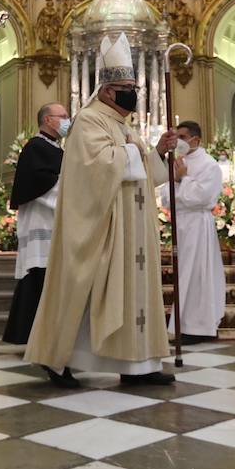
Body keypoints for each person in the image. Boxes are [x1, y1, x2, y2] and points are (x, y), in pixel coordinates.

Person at [25, 33, 179, 388]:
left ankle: (139, 365)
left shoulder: (122, 125)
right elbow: (93, 168)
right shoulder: (89, 120)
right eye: (127, 86)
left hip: (134, 229)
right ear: (109, 91)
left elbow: (143, 175)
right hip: (105, 227)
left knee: (134, 295)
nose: (133, 93)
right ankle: (59, 360)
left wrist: (155, 152)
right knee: (89, 290)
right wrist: (133, 153)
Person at [2, 103, 69, 344]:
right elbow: (42, 182)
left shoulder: (54, 148)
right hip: (42, 223)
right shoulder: (36, 146)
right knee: (38, 279)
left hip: (53, 222)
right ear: (48, 120)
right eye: (62, 116)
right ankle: (35, 336)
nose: (67, 120)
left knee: (43, 280)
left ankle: (35, 335)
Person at [157, 121, 225, 345]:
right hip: (181, 222)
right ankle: (182, 324)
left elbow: (203, 198)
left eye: (183, 137)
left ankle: (199, 326)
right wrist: (179, 181)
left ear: (196, 140)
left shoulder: (210, 165)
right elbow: (166, 197)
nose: (179, 142)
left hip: (197, 225)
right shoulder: (178, 162)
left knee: (197, 274)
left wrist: (183, 179)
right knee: (183, 273)